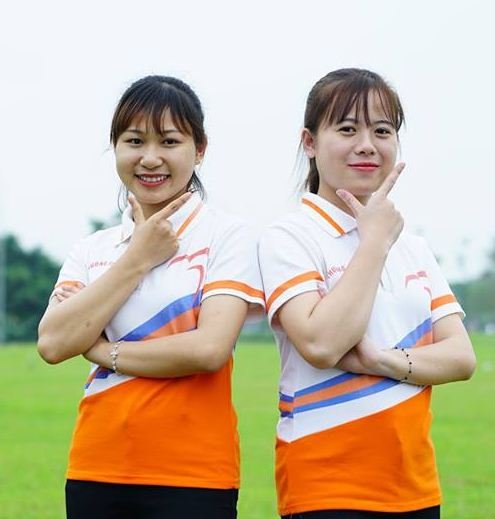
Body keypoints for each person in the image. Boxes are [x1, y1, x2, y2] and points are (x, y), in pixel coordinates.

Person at [37, 75, 264, 519]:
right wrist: (138, 258)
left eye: (170, 141)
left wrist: (100, 350)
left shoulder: (228, 236)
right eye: (134, 141)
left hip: (194, 476)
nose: (150, 158)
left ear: (200, 149)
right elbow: (53, 343)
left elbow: (208, 349)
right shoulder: (93, 249)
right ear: (115, 148)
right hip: (95, 468)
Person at [258, 68, 476, 519]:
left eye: (382, 130)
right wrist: (373, 242)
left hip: (415, 485)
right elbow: (321, 343)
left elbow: (460, 357)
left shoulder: (412, 246)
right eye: (346, 129)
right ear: (309, 142)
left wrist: (382, 361)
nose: (366, 145)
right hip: (326, 486)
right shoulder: (290, 237)